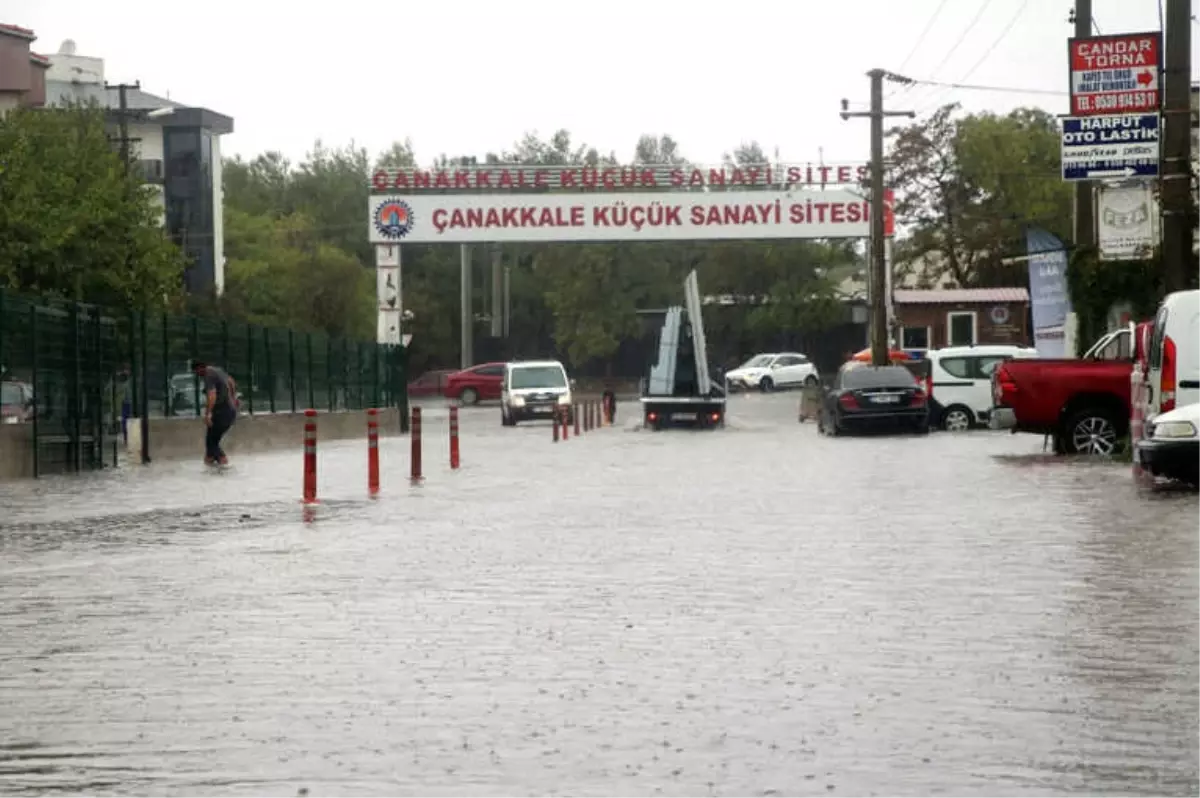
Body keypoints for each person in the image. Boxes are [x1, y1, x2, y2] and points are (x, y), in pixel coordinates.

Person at [192, 361, 238, 466]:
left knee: (211, 442)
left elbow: (212, 395)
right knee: (211, 440)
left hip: (221, 412)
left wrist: (208, 414)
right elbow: (231, 381)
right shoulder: (217, 370)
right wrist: (233, 398)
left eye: (196, 372)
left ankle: (223, 463)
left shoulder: (209, 375)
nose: (197, 375)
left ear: (200, 368)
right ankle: (209, 461)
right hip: (230, 411)